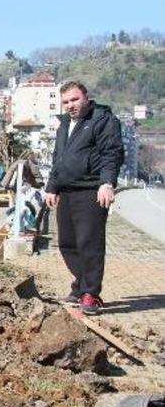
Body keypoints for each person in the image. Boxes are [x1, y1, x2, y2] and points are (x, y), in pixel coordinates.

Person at [45, 81, 124, 316]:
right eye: (66, 102)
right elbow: (59, 158)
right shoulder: (65, 125)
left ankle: (90, 293)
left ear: (86, 97)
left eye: (74, 99)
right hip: (67, 191)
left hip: (91, 190)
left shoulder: (103, 120)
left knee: (90, 244)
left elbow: (112, 153)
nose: (70, 105)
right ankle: (80, 285)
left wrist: (107, 183)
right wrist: (52, 187)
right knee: (67, 244)